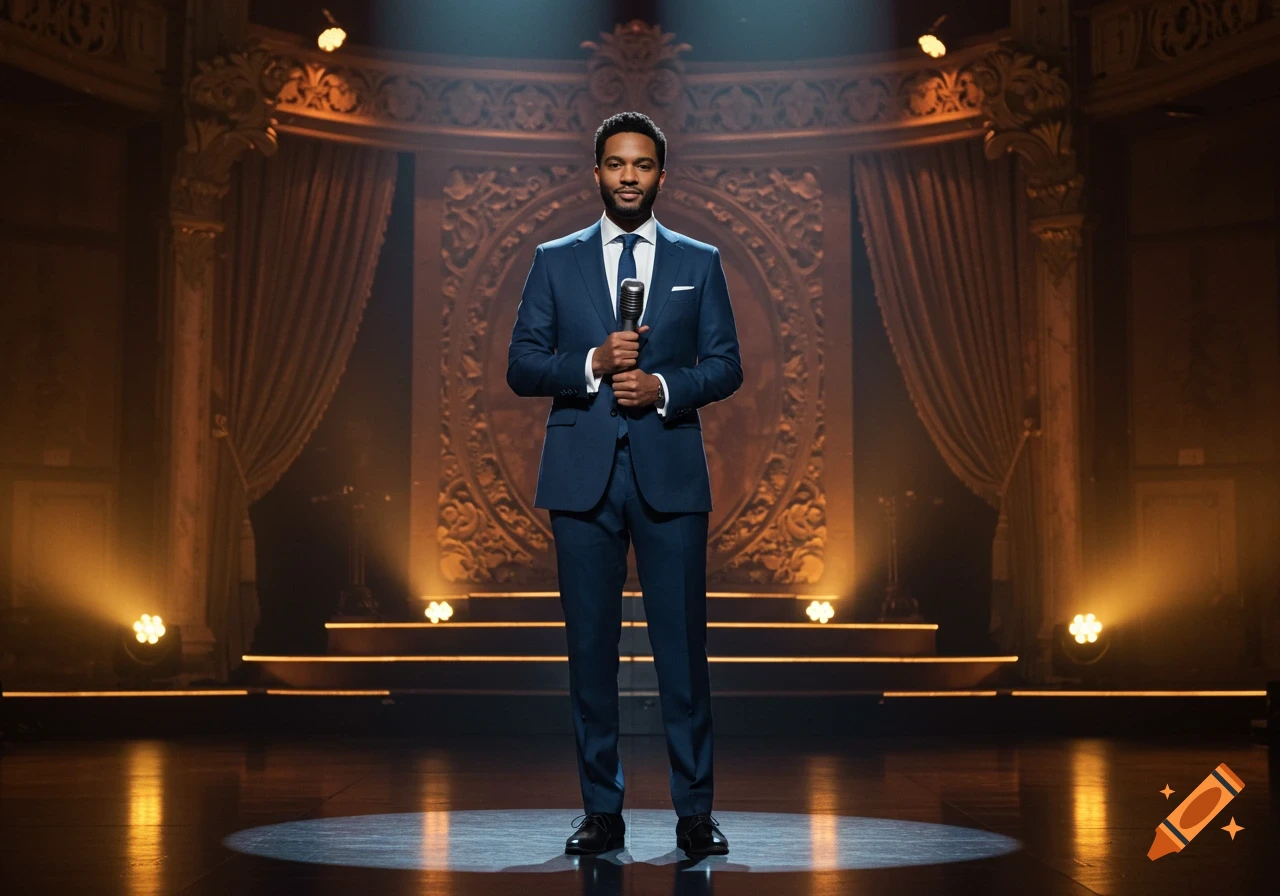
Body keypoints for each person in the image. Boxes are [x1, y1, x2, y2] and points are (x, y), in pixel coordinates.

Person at [507, 111, 741, 857]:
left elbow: (726, 365)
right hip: (580, 483)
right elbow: (522, 364)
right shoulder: (554, 259)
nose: (629, 176)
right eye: (616, 164)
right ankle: (601, 811)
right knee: (590, 656)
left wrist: (665, 388)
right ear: (597, 172)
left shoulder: (697, 261)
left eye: (642, 164)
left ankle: (694, 813)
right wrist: (591, 365)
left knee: (682, 654)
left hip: (670, 476)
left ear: (661, 175)